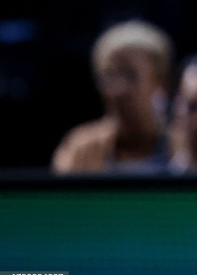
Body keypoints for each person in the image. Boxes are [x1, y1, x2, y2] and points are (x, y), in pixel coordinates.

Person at [51, 19, 173, 175]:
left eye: (130, 74)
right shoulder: (80, 148)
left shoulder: (184, 147)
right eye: (110, 76)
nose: (119, 89)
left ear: (160, 80)